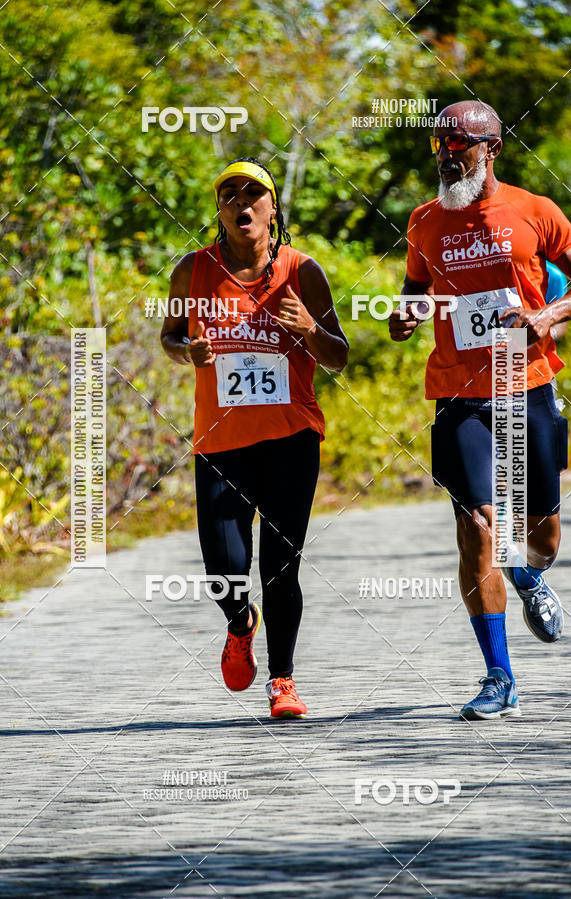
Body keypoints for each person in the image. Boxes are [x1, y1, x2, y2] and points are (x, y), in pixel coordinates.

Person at [389, 101, 571, 720]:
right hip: (458, 393)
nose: (447, 156)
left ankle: (533, 578)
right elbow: (416, 293)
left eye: (458, 145)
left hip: (526, 382)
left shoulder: (535, 210)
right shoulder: (424, 221)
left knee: (540, 535)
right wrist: (406, 316)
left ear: (492, 149)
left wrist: (546, 315)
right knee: (479, 525)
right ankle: (498, 677)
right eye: (439, 146)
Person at [161, 158, 348, 719]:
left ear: (272, 208)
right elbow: (169, 336)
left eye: (253, 195)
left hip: (291, 438)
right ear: (220, 211)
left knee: (281, 565)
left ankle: (283, 681)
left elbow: (338, 356)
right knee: (224, 569)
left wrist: (309, 330)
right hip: (220, 441)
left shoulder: (303, 271)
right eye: (230, 196)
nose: (242, 203)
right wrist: (185, 351)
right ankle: (241, 622)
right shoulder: (191, 271)